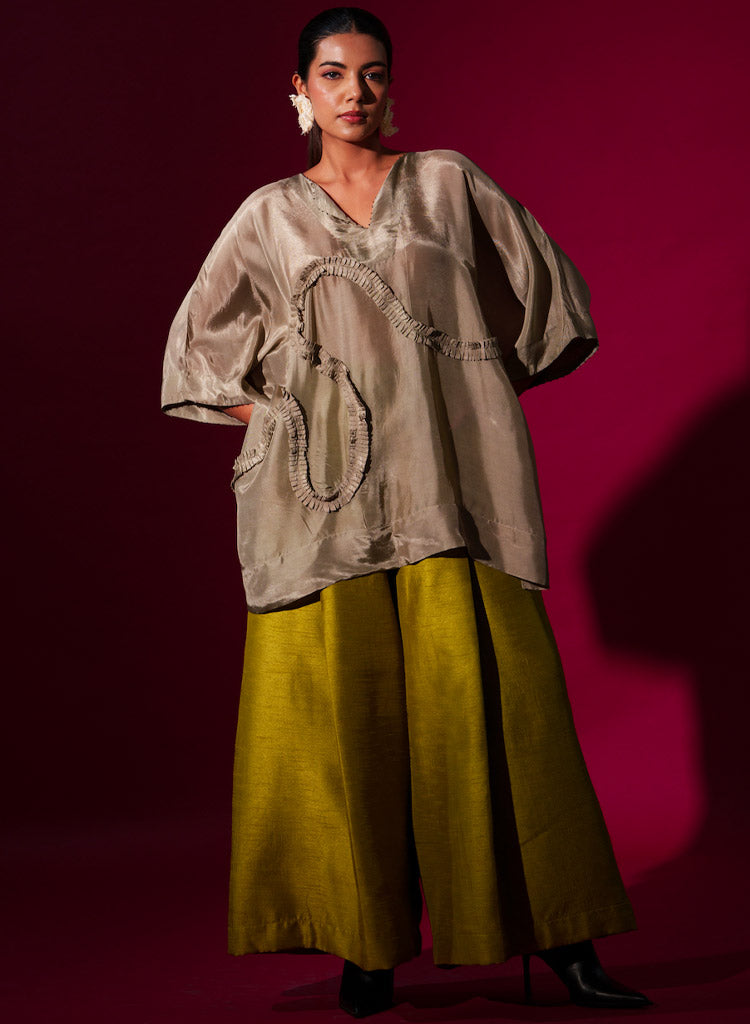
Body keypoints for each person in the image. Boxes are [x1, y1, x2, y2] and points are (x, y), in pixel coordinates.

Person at [161, 6, 652, 1017]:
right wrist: (287, 422)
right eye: (333, 73)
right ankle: (369, 950)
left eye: (374, 73)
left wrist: (461, 400)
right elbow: (196, 357)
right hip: (327, 514)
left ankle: (564, 940)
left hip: (452, 495)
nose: (356, 92)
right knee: (348, 726)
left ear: (393, 86)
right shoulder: (268, 217)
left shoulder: (448, 184)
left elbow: (549, 304)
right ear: (299, 91)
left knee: (501, 714)